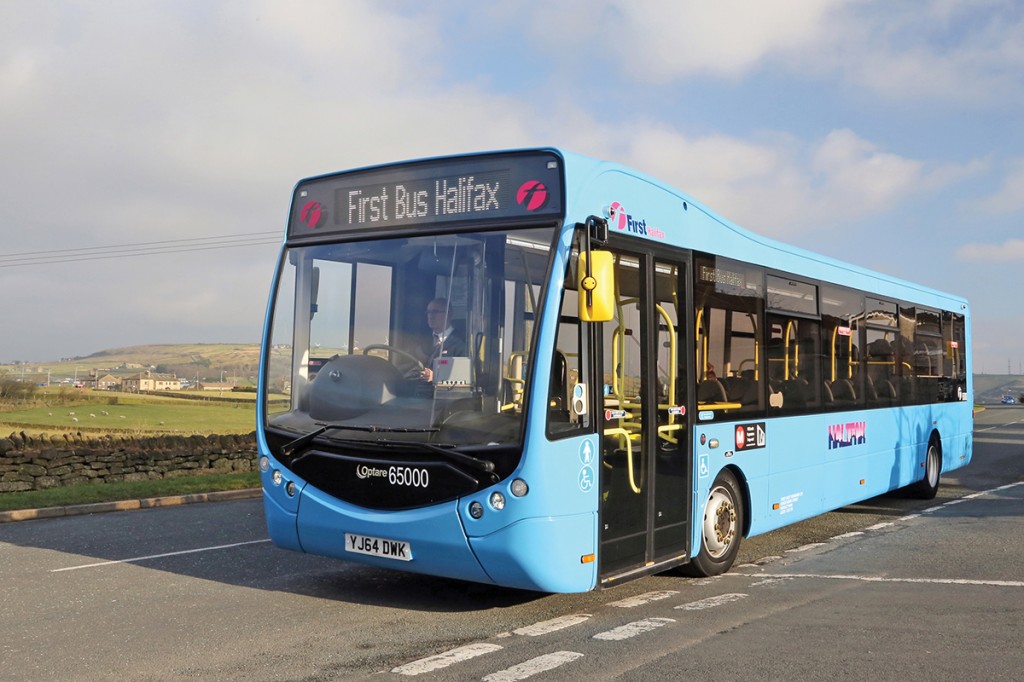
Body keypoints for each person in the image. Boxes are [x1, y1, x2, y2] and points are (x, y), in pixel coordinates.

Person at [419, 298, 467, 382]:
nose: (430, 316)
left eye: (435, 312)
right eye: (428, 312)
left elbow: (464, 375)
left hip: (443, 393)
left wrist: (435, 376)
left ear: (449, 314)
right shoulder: (422, 340)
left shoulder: (461, 343)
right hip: (417, 392)